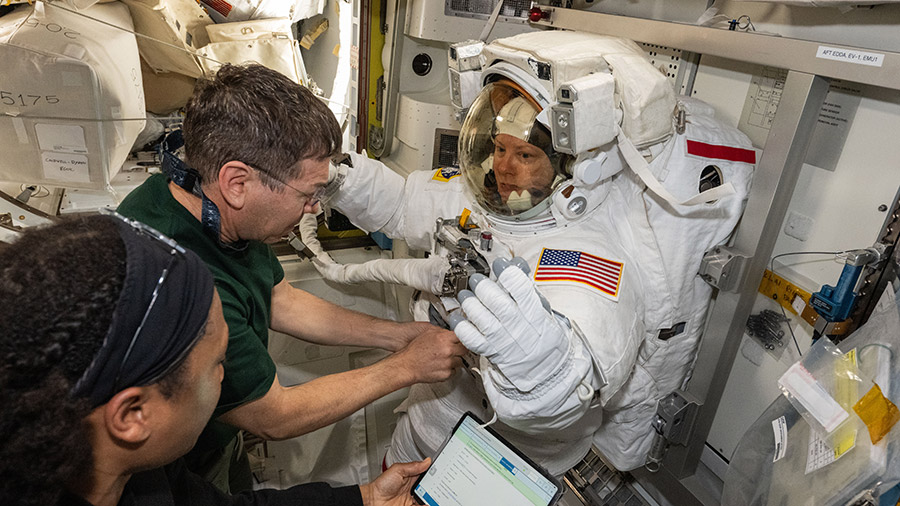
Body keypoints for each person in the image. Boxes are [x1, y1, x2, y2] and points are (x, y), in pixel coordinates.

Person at [321, 31, 757, 474]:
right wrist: (338, 179)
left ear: (571, 163)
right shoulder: (474, 197)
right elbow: (400, 205)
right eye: (499, 148)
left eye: (526, 155)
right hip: (423, 423)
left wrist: (539, 369)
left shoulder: (583, 251)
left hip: (500, 464)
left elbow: (573, 375)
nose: (505, 167)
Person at [115, 63, 467, 492]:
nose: (316, 208)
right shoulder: (187, 278)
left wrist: (395, 335)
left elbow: (281, 299)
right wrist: (407, 367)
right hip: (178, 466)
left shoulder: (193, 199)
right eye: (308, 193)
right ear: (237, 182)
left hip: (217, 440)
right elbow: (273, 416)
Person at [0, 213, 430, 506]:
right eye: (216, 365)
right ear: (132, 415)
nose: (226, 379)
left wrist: (364, 498)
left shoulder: (146, 475)